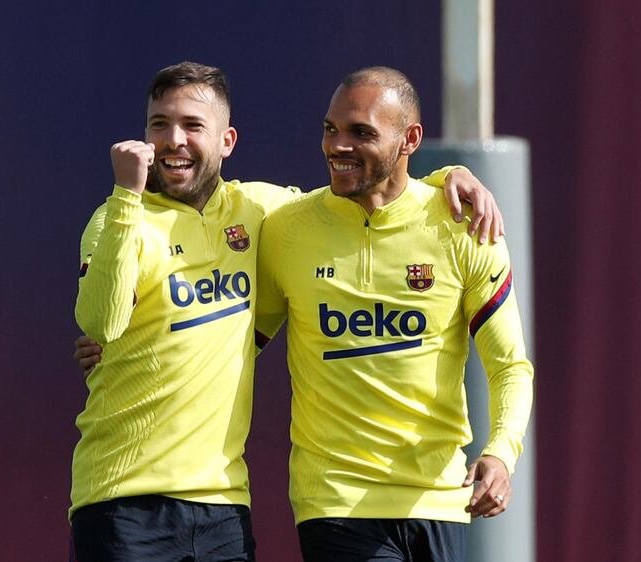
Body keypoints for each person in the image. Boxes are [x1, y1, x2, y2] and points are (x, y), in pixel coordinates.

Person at [70, 61, 506, 562]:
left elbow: (375, 188)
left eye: (193, 126)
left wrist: (451, 174)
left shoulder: (260, 211)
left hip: (222, 504)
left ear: (227, 141)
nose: (174, 140)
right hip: (123, 497)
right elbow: (100, 323)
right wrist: (126, 194)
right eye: (159, 124)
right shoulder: (116, 217)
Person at [252, 67, 534, 562]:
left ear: (410, 139)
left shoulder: (463, 227)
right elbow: (235, 339)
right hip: (334, 501)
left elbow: (510, 364)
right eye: (330, 129)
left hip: (440, 499)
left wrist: (501, 453)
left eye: (361, 133)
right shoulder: (286, 228)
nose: (338, 146)